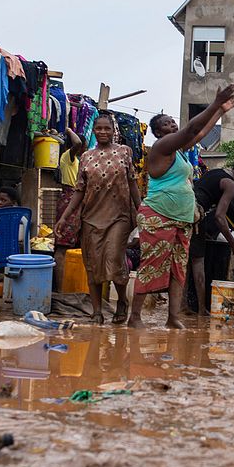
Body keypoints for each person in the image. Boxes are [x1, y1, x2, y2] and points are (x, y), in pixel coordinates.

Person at [128, 84, 234, 329]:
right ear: (157, 132)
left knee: (179, 269)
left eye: (172, 122)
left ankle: (173, 317)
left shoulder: (177, 152)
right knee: (152, 265)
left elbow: (197, 135)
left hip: (182, 218)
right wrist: (214, 103)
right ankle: (134, 317)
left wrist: (220, 110)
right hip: (159, 215)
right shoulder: (162, 148)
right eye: (167, 123)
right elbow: (192, 128)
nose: (173, 125)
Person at [54, 114, 141, 324]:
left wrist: (141, 212)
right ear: (93, 130)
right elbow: (79, 191)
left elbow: (132, 184)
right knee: (92, 265)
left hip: (119, 216)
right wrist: (64, 218)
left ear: (113, 131)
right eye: (99, 128)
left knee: (113, 258)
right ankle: (97, 312)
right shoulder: (86, 156)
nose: (103, 132)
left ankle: (122, 301)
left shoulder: (124, 152)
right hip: (91, 217)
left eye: (107, 129)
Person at [189, 160, 234, 314]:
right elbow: (219, 216)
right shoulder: (230, 185)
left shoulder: (215, 172)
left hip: (184, 208)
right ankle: (200, 309)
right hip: (195, 214)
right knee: (198, 262)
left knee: (184, 262)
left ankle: (183, 306)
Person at [54, 129, 87, 290]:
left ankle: (72, 287)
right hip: (70, 199)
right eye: (84, 147)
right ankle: (61, 290)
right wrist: (67, 129)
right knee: (63, 247)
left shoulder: (78, 161)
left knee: (75, 247)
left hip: (78, 201)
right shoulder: (68, 157)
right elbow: (78, 143)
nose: (85, 149)